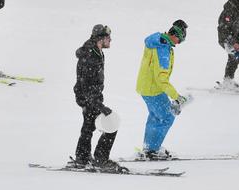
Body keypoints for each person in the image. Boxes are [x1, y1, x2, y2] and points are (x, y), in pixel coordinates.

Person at [71, 24, 124, 172]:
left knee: (88, 127)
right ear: (100, 38)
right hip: (89, 98)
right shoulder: (90, 56)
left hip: (91, 97)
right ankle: (100, 159)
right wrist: (99, 106)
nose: (110, 40)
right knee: (111, 125)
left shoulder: (96, 51)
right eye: (108, 37)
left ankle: (83, 157)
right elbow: (87, 85)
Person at [135, 19, 189, 160]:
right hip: (154, 89)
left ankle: (149, 147)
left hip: (145, 86)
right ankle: (152, 151)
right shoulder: (162, 49)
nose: (178, 43)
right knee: (167, 116)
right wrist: (176, 96)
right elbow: (161, 79)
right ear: (174, 35)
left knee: (155, 117)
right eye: (180, 40)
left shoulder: (157, 41)